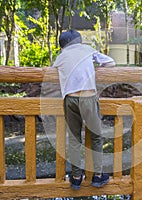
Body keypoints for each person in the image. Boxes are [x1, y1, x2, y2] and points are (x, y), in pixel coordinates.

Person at [52, 29, 115, 190]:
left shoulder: (61, 57)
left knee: (74, 138)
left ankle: (76, 177)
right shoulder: (87, 50)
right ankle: (98, 176)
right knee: (96, 136)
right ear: (79, 41)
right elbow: (110, 62)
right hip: (88, 97)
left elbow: (55, 70)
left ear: (62, 46)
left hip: (70, 99)